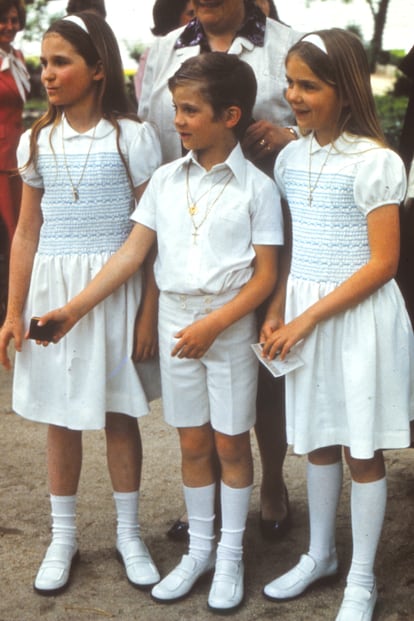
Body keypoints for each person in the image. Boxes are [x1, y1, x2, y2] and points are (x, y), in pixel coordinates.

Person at [29, 52, 283, 612]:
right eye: (176, 109)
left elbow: (267, 274)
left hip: (229, 325)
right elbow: (130, 255)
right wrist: (72, 310)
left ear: (231, 115)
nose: (178, 121)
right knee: (192, 442)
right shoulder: (167, 180)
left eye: (191, 111)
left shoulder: (256, 189)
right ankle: (200, 550)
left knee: (231, 443)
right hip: (175, 324)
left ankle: (231, 554)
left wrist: (216, 324)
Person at [0, 12, 162, 595]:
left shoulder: (132, 137)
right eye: (44, 62)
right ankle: (62, 535)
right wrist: (15, 310)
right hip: (51, 292)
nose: (48, 73)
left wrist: (148, 310)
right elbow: (26, 231)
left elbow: (152, 230)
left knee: (119, 413)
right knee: (59, 415)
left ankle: (128, 532)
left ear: (98, 70)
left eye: (61, 62)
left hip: (115, 294)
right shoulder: (35, 139)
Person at [260, 29, 414, 621]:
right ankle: (320, 553)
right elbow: (295, 246)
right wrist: (278, 308)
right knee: (317, 438)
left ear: (345, 92)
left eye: (309, 85)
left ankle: (362, 576)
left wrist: (306, 318)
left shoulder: (376, 161)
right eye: (291, 82)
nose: (294, 95)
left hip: (358, 319)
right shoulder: (290, 159)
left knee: (361, 448)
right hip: (304, 312)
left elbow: (383, 262)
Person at [139, 0, 301, 545]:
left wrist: (290, 141)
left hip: (267, 224)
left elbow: (320, 122)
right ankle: (206, 511)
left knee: (265, 371)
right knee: (198, 407)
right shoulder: (164, 52)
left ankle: (272, 482)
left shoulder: (286, 44)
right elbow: (151, 138)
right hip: (189, 221)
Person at [0, 0, 30, 323]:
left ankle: (13, 304)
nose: (9, 26)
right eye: (2, 21)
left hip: (17, 157)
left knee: (17, 235)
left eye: (13, 20)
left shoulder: (17, 58)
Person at [134, 0, 194, 103]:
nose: (197, 18)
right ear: (172, 16)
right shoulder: (153, 55)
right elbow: (145, 104)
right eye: (191, 14)